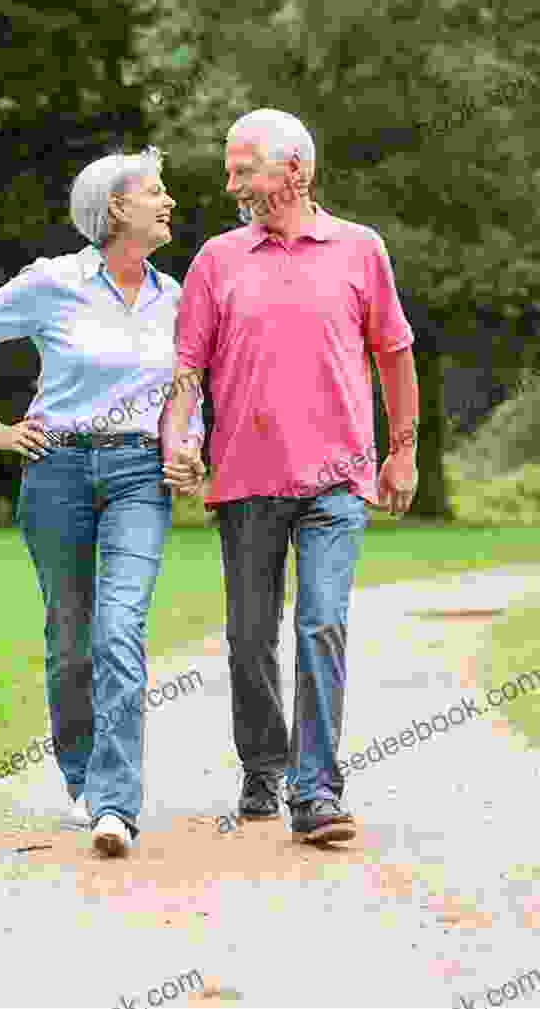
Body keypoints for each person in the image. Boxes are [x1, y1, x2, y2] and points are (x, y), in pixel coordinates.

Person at [0, 146, 205, 857]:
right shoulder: (54, 282)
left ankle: (115, 803)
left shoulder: (176, 300)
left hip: (140, 474)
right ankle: (82, 775)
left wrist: (188, 446)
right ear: (116, 209)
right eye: (156, 192)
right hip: (57, 472)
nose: (169, 202)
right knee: (71, 636)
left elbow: (184, 389)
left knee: (119, 629)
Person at [164, 109, 420, 844]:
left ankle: (316, 790)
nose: (230, 181)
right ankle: (264, 763)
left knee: (321, 623)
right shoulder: (217, 259)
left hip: (338, 480)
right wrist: (177, 437)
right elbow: (187, 370)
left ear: (295, 172)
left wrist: (401, 450)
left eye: (244, 167)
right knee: (250, 636)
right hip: (245, 480)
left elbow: (394, 356)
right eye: (230, 167)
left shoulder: (361, 250)